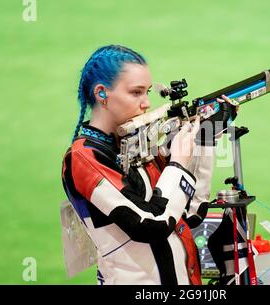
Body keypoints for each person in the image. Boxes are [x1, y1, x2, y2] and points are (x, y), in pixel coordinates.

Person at [61, 45, 230, 285]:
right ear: (101, 94)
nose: (146, 103)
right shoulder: (84, 158)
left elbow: (189, 213)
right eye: (136, 92)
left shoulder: (135, 146)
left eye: (147, 92)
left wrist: (204, 139)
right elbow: (151, 225)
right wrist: (178, 165)